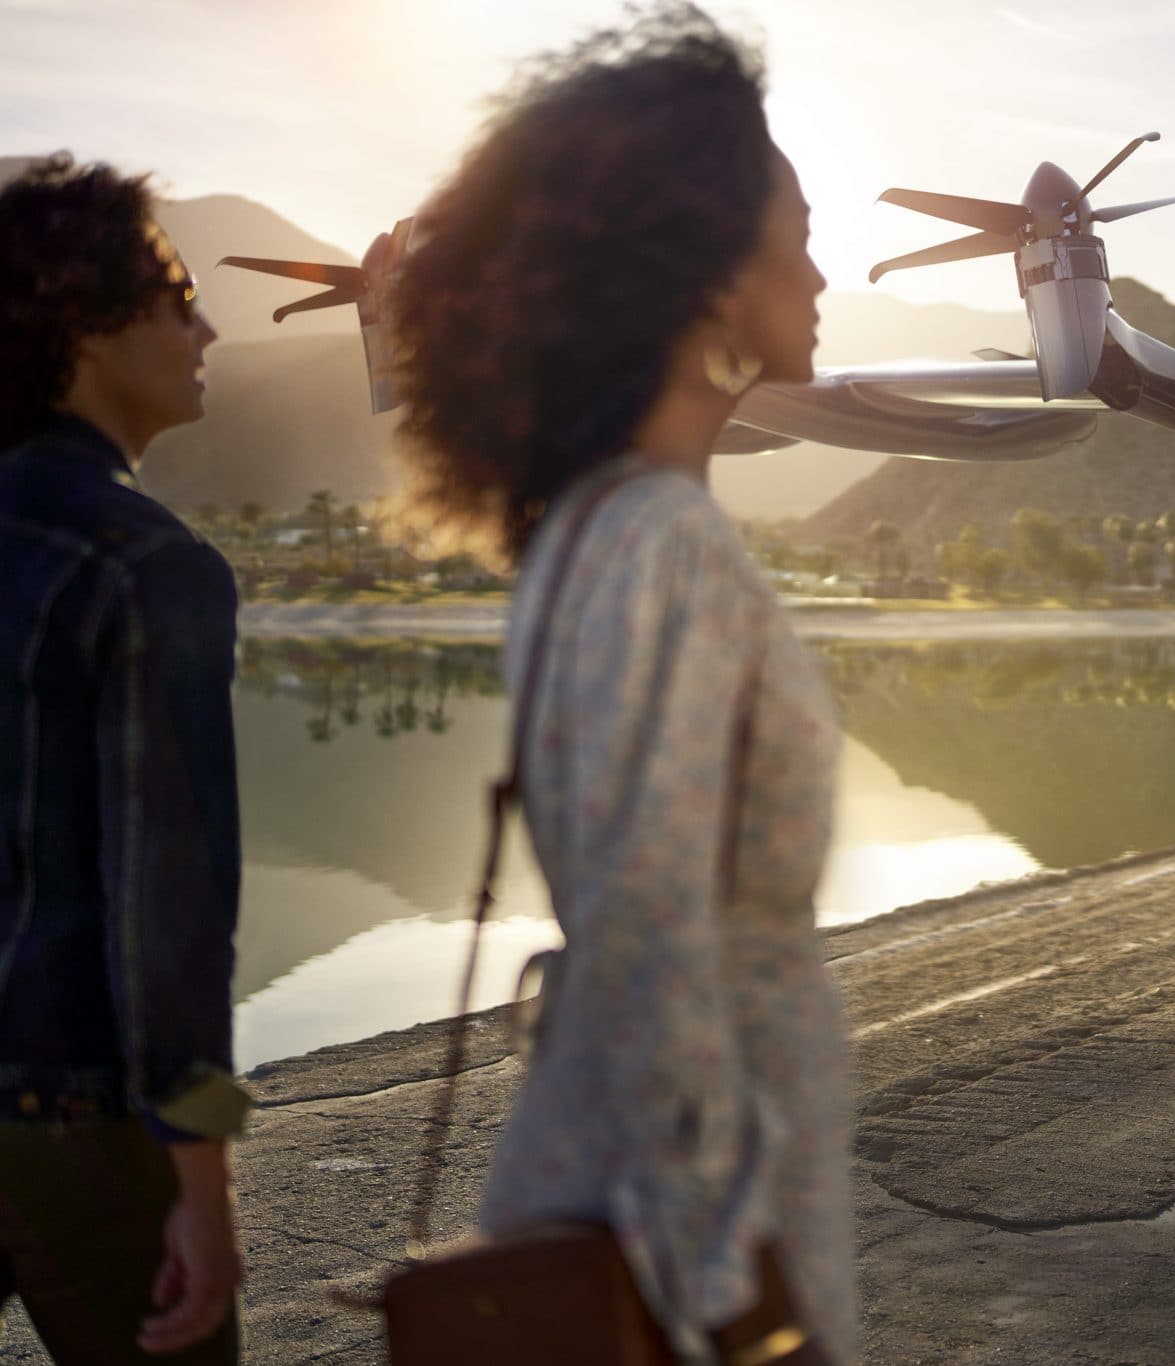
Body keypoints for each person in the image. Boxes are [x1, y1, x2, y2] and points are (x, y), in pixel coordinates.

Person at [385, 7, 851, 1363]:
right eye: (801, 232)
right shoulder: (668, 548)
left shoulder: (582, 528)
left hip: (614, 1166)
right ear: (709, 268)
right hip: (686, 1234)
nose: (821, 274)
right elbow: (652, 941)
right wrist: (746, 1310)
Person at [0, 155, 245, 1362]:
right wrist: (203, 1175)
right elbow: (176, 918)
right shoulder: (149, 567)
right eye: (178, 298)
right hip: (73, 1115)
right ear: (88, 324)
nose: (207, 330)